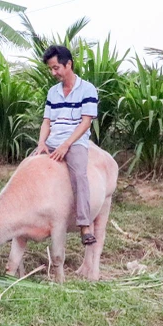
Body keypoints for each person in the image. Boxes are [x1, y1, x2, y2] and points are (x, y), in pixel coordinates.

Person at [33, 44, 99, 246]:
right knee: (28, 167)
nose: (53, 73)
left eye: (56, 68)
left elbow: (86, 122)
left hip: (75, 141)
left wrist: (66, 145)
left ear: (68, 64)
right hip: (52, 141)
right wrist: (42, 142)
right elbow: (46, 121)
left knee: (79, 174)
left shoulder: (87, 89)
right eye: (51, 69)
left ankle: (84, 225)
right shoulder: (53, 93)